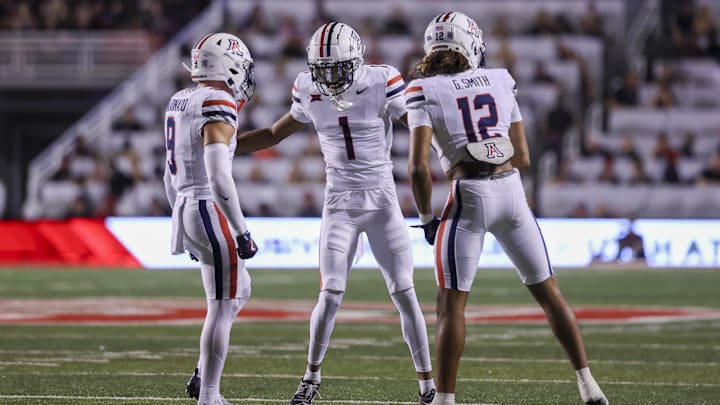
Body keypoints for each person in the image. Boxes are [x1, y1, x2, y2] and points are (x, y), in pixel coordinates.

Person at [406, 12, 609, 405]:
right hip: (513, 193)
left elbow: (417, 168)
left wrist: (427, 218)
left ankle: (445, 400)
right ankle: (588, 384)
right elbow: (525, 155)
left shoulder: (423, 90)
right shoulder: (500, 79)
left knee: (451, 306)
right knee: (549, 293)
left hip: (469, 196)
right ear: (471, 45)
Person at [234, 22, 436, 405]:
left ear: (356, 61)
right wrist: (225, 148)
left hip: (381, 202)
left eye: (336, 67)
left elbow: (417, 124)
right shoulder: (307, 88)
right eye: (321, 68)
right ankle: (310, 378)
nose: (328, 77)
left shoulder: (381, 81)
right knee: (329, 293)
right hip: (339, 203)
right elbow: (276, 133)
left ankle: (428, 386)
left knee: (405, 293)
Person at [163, 32, 259, 405]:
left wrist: (180, 220)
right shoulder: (217, 99)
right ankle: (209, 394)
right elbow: (219, 176)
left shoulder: (179, 98)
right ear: (230, 65)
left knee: (240, 290)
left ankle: (205, 371)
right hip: (209, 208)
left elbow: (168, 173)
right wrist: (242, 230)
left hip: (188, 205)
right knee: (221, 303)